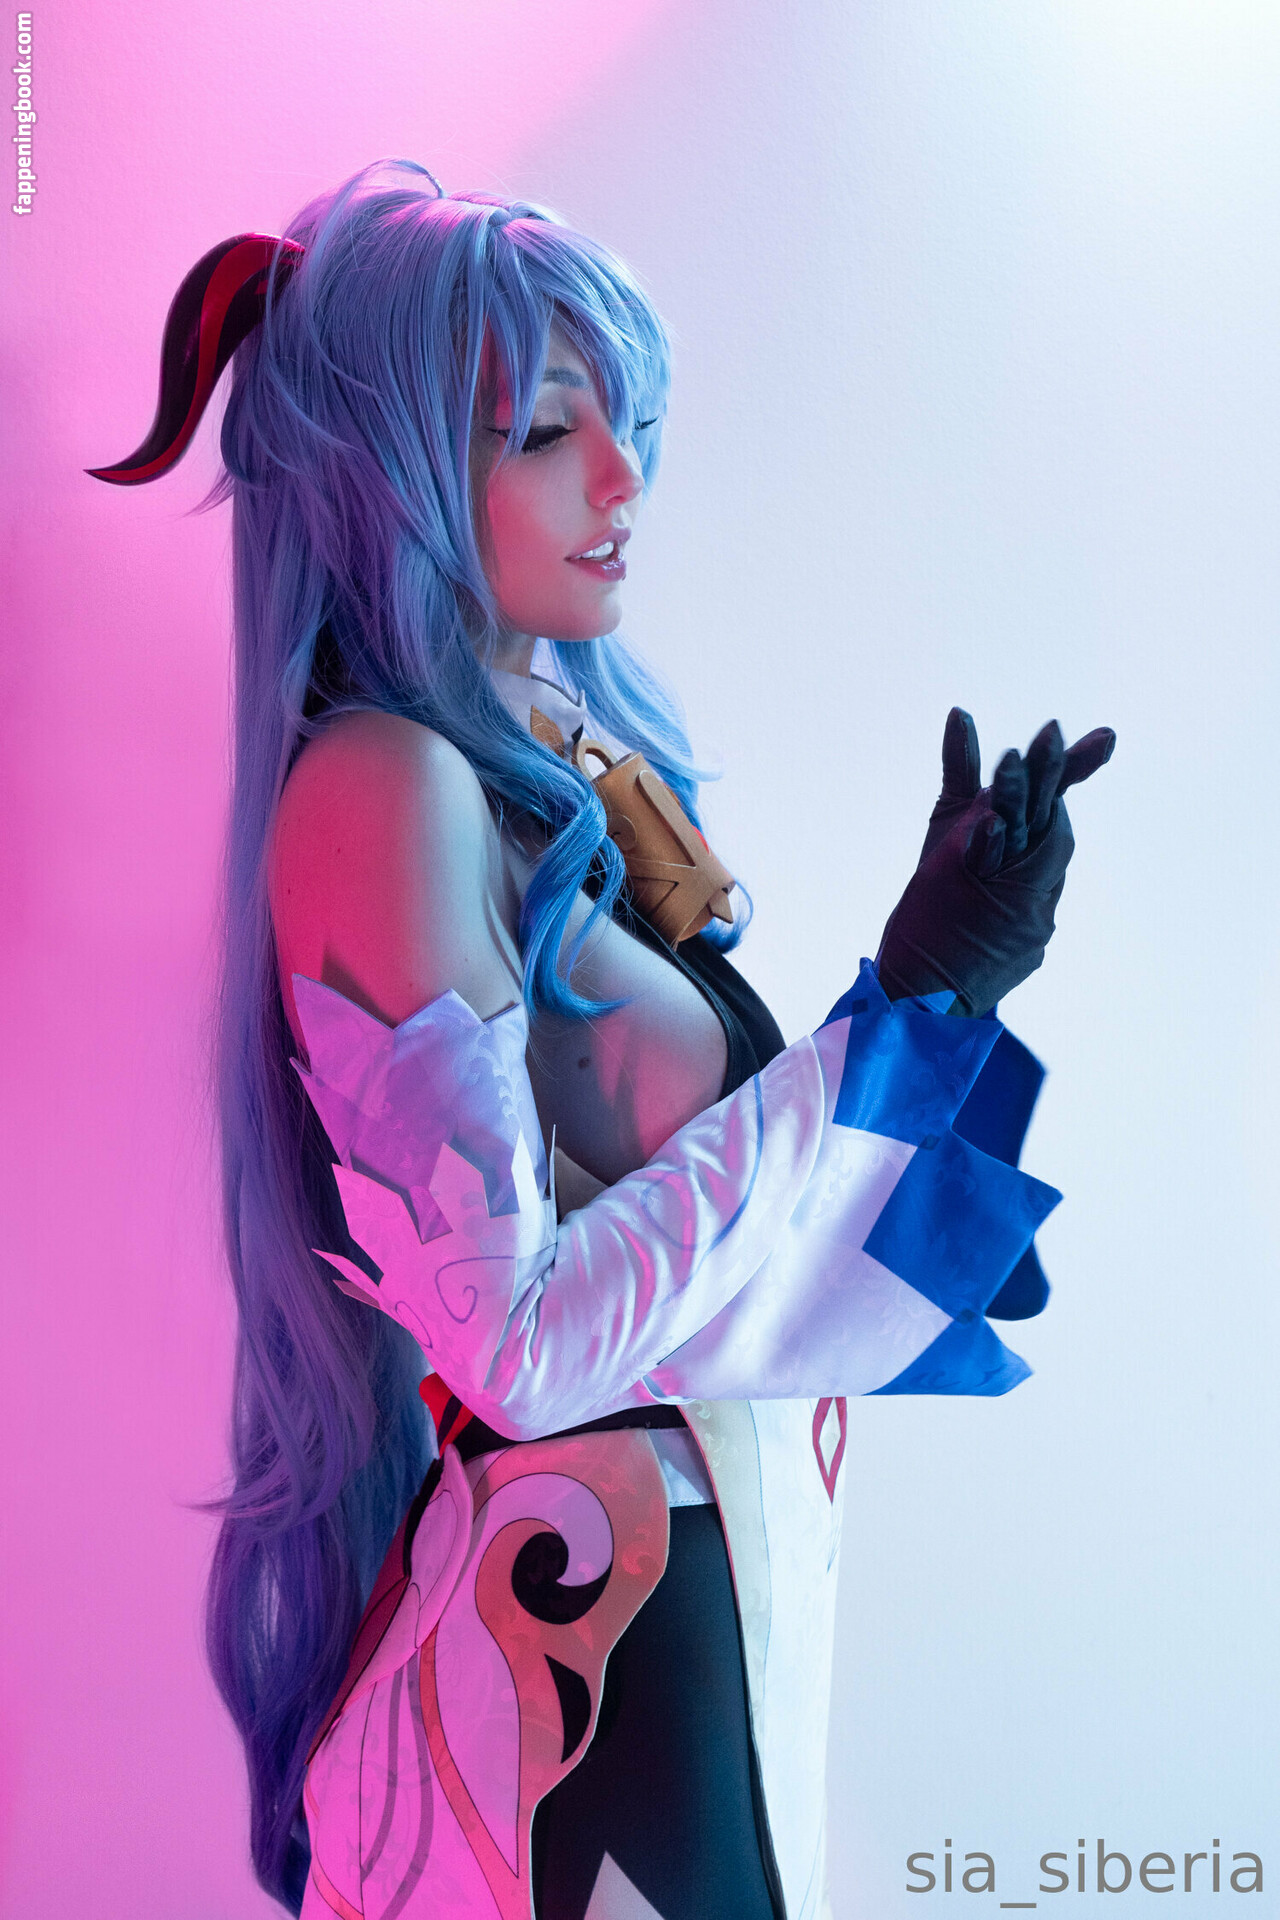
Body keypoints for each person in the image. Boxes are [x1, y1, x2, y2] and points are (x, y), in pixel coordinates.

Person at [88, 158, 1112, 1920]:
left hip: (693, 1606)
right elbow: (520, 1347)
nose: (624, 479)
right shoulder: (383, 785)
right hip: (587, 1645)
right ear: (396, 472)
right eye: (550, 432)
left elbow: (722, 1232)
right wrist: (893, 1014)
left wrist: (942, 996)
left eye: (624, 422)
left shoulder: (550, 758)